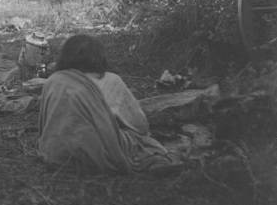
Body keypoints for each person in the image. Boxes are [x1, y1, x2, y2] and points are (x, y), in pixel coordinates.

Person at [38, 34, 175, 173]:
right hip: (95, 153)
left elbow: (44, 122)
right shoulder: (112, 80)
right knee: (143, 142)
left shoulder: (53, 81)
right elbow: (140, 125)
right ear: (98, 56)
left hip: (55, 153)